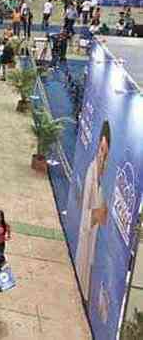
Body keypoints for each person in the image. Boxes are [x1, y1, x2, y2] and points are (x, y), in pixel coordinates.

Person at [75, 121, 110, 302]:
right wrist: (95, 215)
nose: (102, 156)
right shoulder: (91, 172)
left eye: (105, 152)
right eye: (100, 150)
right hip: (85, 246)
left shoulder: (106, 180)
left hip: (95, 251)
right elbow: (86, 215)